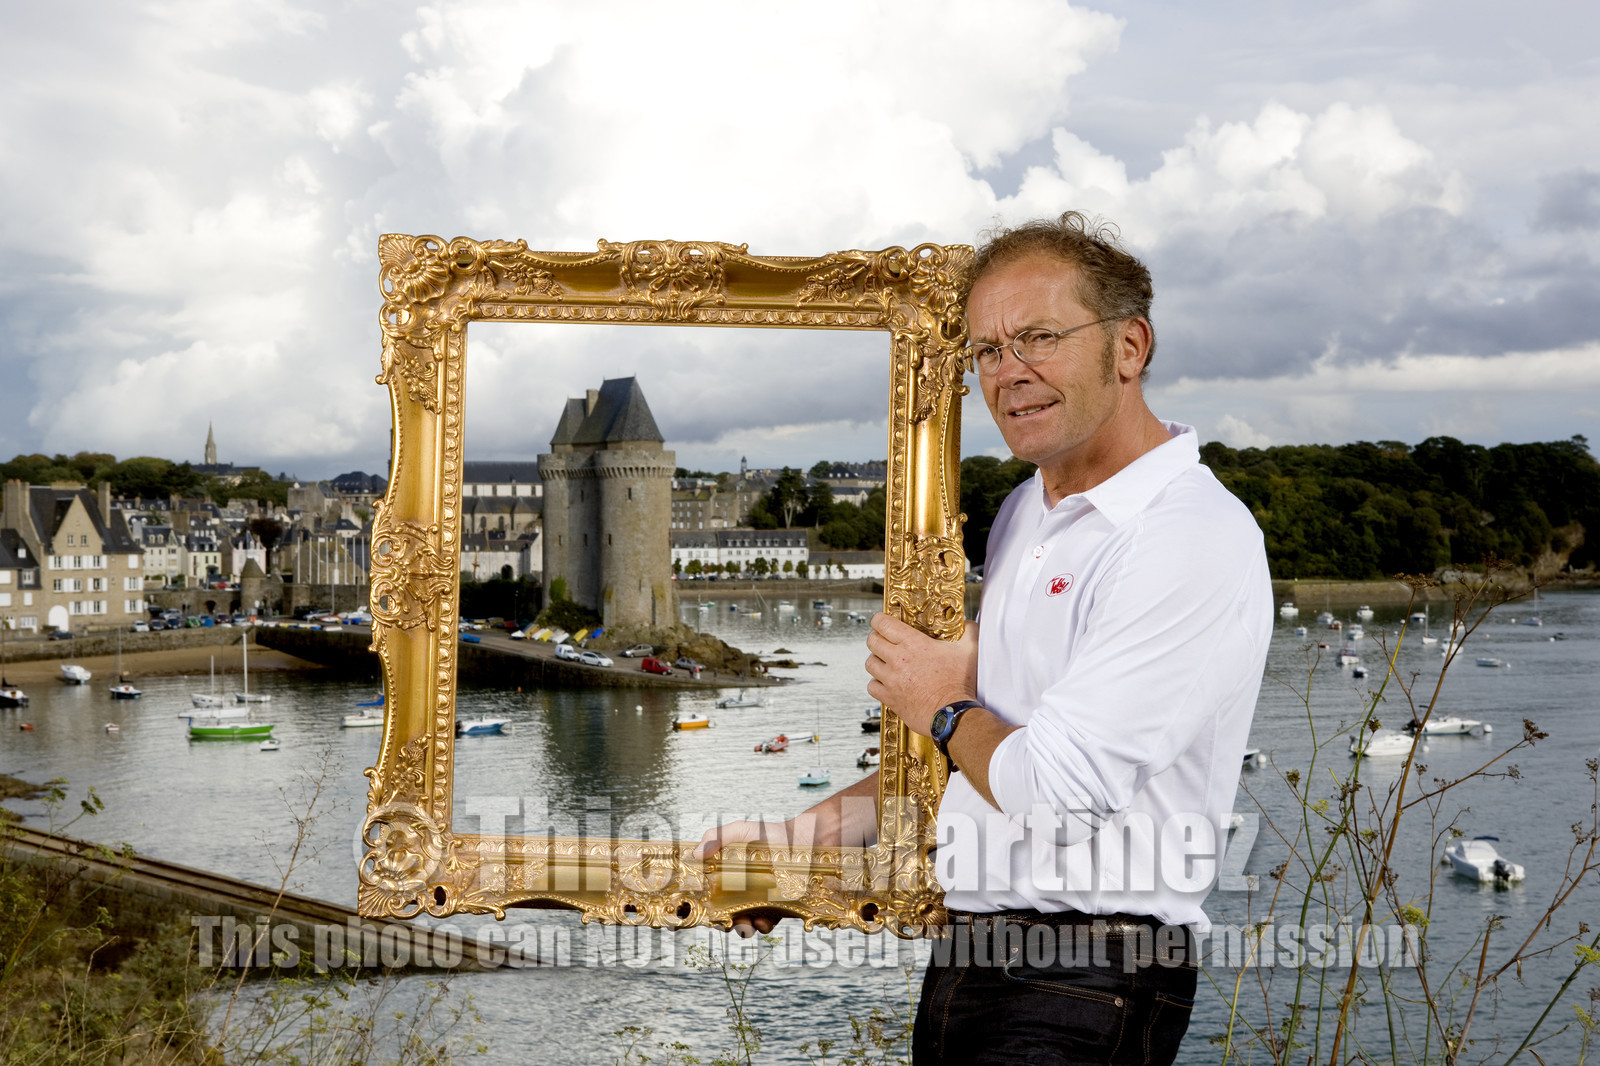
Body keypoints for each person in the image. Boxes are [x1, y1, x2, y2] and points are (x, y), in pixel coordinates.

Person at [697, 211, 1272, 1064]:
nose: (1010, 372)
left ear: (1130, 346)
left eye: (1039, 337)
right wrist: (789, 850)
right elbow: (975, 757)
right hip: (975, 961)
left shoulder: (1185, 533)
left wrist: (937, 699)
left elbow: (1056, 791)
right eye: (988, 350)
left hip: (1088, 975)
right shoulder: (1024, 514)